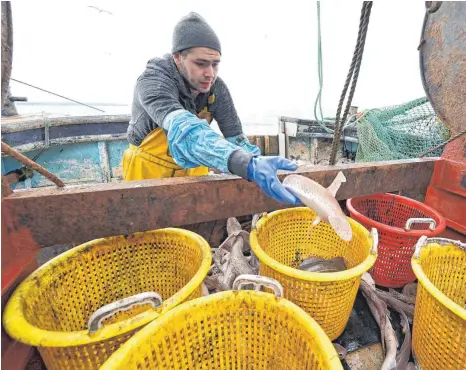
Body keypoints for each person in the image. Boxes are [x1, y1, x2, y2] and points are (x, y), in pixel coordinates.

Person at [122, 12, 300, 205]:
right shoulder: (154, 82)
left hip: (194, 170)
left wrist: (258, 163)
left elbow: (237, 139)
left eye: (215, 64)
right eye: (201, 64)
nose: (210, 74)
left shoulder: (217, 89)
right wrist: (244, 165)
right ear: (177, 58)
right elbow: (185, 131)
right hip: (148, 172)